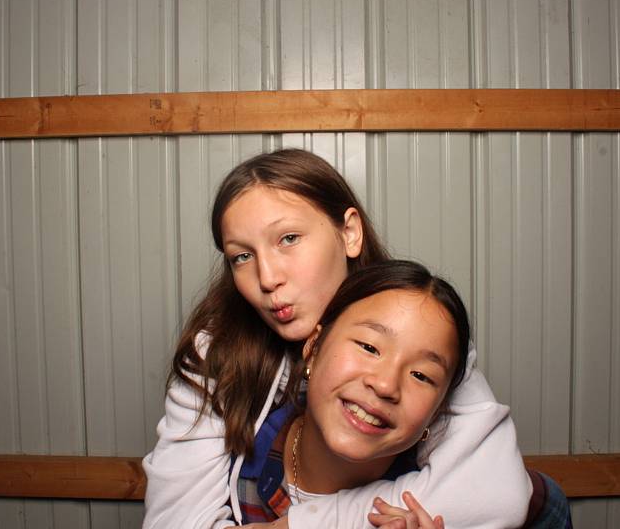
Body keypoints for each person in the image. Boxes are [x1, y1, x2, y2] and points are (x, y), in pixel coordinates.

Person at [142, 149, 533, 528]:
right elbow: (173, 519)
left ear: (349, 233)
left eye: (288, 239)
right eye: (241, 256)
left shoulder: (424, 330)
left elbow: (497, 493)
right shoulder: (216, 352)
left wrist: (301, 525)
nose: (267, 278)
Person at [236, 260, 471, 529]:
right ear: (313, 347)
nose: (385, 385)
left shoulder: (437, 502)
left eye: (420, 375)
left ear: (437, 411)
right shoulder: (229, 455)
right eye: (369, 347)